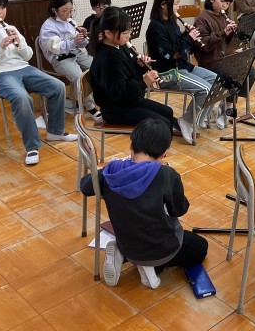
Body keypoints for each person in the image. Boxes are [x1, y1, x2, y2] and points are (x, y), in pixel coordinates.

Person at [80, 118, 208, 289]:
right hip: (160, 247)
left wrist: (112, 167)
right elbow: (179, 210)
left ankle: (124, 255)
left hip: (126, 242)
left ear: (131, 145)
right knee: (200, 247)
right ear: (164, 153)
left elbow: (85, 187)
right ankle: (151, 266)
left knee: (140, 234)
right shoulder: (167, 174)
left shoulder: (111, 171)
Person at [0, 0, 77, 165]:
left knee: (57, 86)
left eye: (2, 7)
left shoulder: (10, 28)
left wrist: (19, 44)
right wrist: (0, 47)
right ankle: (32, 146)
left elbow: (27, 56)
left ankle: (55, 132)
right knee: (22, 98)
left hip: (21, 67)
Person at [146, 0, 217, 143]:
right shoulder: (155, 28)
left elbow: (178, 44)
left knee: (216, 82)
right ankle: (186, 121)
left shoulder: (172, 21)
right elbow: (170, 54)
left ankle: (199, 118)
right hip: (167, 73)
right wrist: (189, 38)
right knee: (205, 90)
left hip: (182, 66)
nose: (178, 7)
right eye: (176, 3)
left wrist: (186, 34)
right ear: (163, 4)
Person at [89, 7, 175, 129]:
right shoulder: (107, 59)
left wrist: (140, 65)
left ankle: (165, 137)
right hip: (116, 110)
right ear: (108, 33)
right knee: (161, 123)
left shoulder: (120, 46)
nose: (129, 36)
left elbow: (129, 74)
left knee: (168, 112)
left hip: (129, 101)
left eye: (130, 31)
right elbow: (120, 94)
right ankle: (152, 141)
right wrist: (144, 82)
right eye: (125, 33)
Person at [194, 0, 255, 126]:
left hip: (224, 58)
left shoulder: (223, 17)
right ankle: (226, 108)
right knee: (234, 73)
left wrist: (236, 34)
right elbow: (204, 45)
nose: (225, 5)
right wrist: (223, 33)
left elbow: (230, 44)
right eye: (222, 1)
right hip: (210, 61)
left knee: (250, 72)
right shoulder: (202, 19)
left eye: (228, 3)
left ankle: (226, 105)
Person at [39, 0, 102, 124]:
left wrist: (83, 37)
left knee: (97, 67)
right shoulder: (48, 26)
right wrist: (73, 41)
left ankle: (96, 99)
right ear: (54, 10)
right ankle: (90, 107)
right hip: (60, 58)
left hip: (75, 52)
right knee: (80, 77)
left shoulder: (71, 22)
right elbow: (55, 48)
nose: (68, 13)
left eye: (71, 10)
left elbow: (82, 45)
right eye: (64, 10)